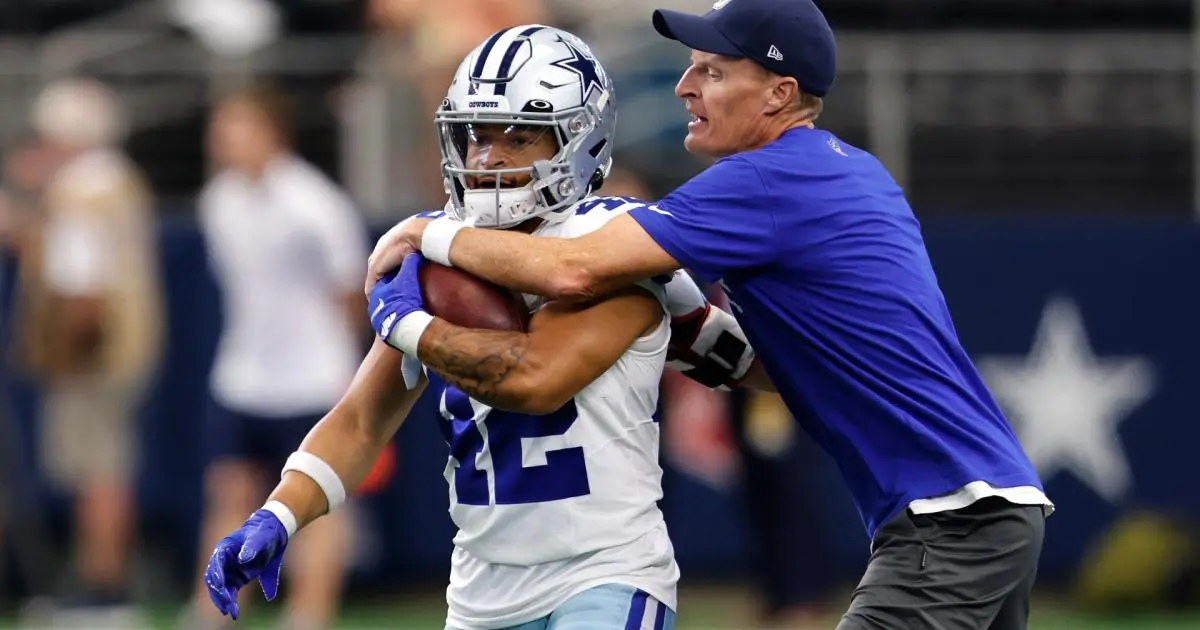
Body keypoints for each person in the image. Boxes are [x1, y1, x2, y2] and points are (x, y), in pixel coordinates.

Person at [366, 1, 1055, 628]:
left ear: (780, 94)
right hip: (987, 506)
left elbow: (569, 268)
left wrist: (425, 234)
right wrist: (694, 333)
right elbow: (790, 371)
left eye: (712, 73)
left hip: (949, 519)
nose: (684, 88)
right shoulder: (842, 167)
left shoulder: (765, 178)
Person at [201, 26, 750, 630]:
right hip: (480, 592)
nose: (487, 159)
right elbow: (359, 420)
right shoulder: (441, 261)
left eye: (516, 136)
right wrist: (280, 513)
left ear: (580, 139)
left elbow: (538, 379)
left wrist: (407, 321)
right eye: (475, 136)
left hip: (605, 573)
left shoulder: (612, 245)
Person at [183, 86, 371, 630]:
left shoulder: (316, 205)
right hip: (241, 378)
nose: (224, 141)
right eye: (220, 129)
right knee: (227, 493)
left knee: (317, 504)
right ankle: (210, 613)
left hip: (312, 382)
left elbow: (349, 297)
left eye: (237, 127)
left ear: (272, 133)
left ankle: (309, 617)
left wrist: (343, 374)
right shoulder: (216, 200)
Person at [7, 78, 162, 627]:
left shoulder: (82, 191)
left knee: (98, 470)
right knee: (102, 465)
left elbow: (83, 288)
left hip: (93, 353)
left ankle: (104, 582)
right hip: (119, 347)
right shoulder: (112, 180)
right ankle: (100, 577)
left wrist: (63, 353)